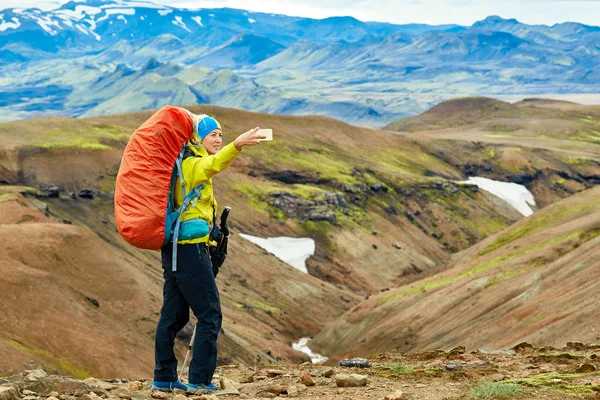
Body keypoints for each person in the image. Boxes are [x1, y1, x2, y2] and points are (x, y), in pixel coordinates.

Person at [152, 114, 264, 393]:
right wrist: (236, 145)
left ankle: (164, 378)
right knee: (210, 314)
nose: (218, 139)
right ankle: (199, 381)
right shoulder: (191, 164)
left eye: (222, 135)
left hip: (176, 251)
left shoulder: (185, 163)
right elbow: (212, 165)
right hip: (188, 252)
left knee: (173, 316)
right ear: (196, 138)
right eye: (212, 134)